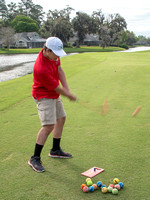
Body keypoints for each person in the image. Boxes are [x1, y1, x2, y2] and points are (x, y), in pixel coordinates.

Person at [28, 37, 77, 172]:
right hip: (43, 95)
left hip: (53, 94)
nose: (57, 57)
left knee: (61, 118)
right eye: (55, 54)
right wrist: (68, 95)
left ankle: (55, 150)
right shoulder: (40, 68)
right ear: (47, 50)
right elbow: (56, 87)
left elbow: (60, 70)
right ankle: (34, 158)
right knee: (48, 125)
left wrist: (67, 89)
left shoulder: (54, 56)